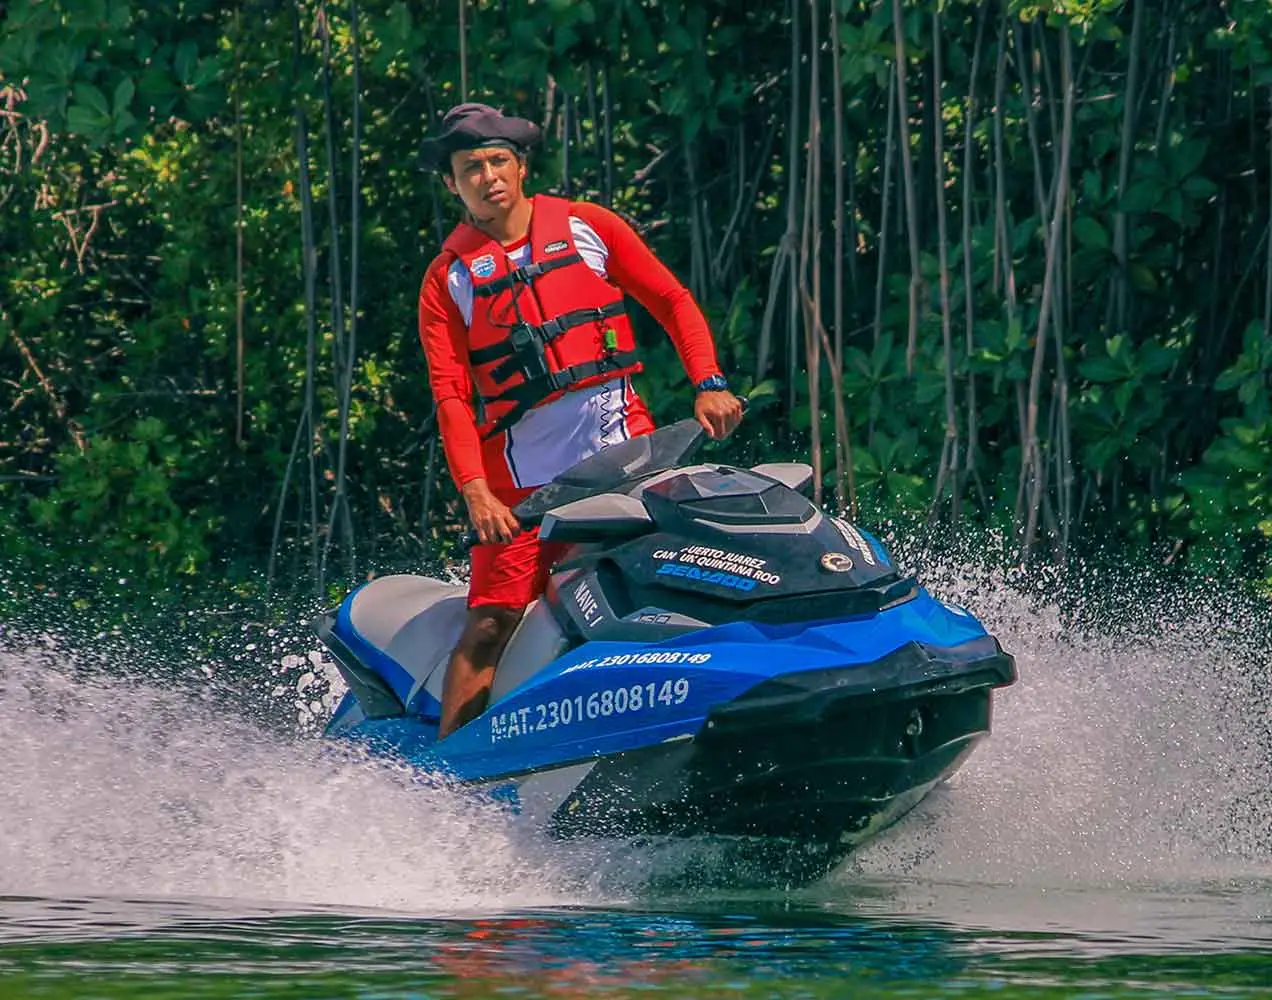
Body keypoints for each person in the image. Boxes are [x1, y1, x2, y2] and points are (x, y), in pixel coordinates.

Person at [417, 102, 743, 738]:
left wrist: (709, 382)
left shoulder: (587, 226)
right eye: (470, 167)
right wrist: (475, 490)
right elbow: (451, 394)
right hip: (521, 490)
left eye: (497, 161)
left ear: (520, 164)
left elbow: (672, 300)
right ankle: (448, 778)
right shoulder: (447, 280)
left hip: (628, 459)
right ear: (451, 182)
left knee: (684, 569)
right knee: (491, 623)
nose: (487, 176)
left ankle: (715, 699)